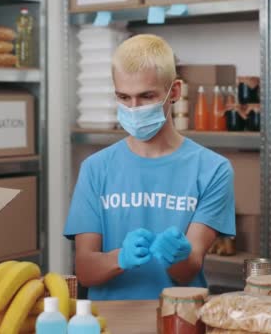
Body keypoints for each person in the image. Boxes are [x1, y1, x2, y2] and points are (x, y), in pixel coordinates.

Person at [64, 34, 235, 300]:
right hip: (109, 322)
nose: (134, 109)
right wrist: (119, 258)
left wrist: (177, 256)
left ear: (174, 92)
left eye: (146, 96)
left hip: (179, 317)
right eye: (123, 97)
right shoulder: (95, 169)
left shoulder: (212, 170)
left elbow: (188, 271)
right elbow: (84, 271)